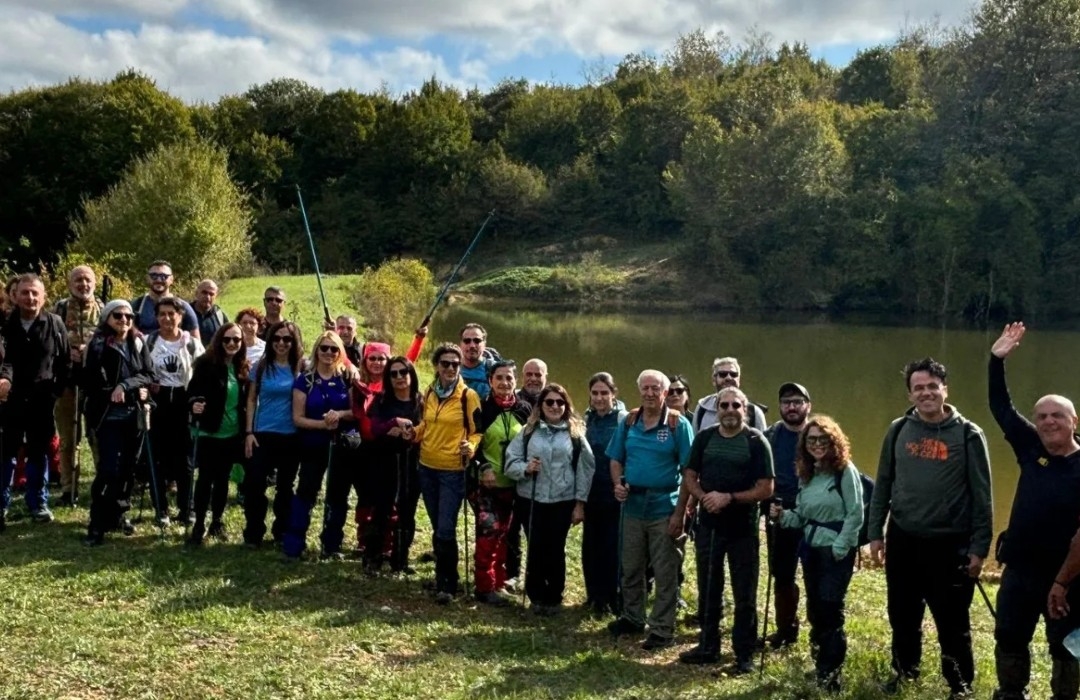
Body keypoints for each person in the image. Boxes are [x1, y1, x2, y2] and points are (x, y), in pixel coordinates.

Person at [868, 357, 993, 698]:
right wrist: (875, 533)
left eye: (932, 386)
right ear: (910, 394)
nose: (926, 393)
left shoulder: (968, 434)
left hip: (949, 544)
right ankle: (905, 670)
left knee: (952, 623)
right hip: (904, 539)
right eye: (918, 388)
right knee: (902, 615)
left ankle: (959, 685)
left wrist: (980, 548)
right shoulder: (898, 429)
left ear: (944, 389)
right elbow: (883, 483)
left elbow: (983, 497)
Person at [988, 322, 1080, 700]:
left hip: (1069, 578)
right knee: (1009, 636)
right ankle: (1011, 694)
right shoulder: (1031, 449)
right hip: (1020, 572)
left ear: (1074, 422)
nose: (1047, 422)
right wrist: (996, 361)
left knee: (1066, 647)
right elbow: (1001, 408)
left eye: (1057, 415)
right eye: (1041, 416)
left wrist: (1061, 582)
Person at [679, 386, 775, 674]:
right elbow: (689, 475)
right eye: (724, 406)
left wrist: (729, 497)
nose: (730, 410)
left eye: (736, 405)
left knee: (744, 592)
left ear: (744, 410)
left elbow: (766, 487)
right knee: (709, 587)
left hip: (742, 529)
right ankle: (708, 646)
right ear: (717, 410)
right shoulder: (705, 438)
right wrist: (703, 495)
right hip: (708, 526)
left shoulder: (756, 441)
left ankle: (744, 653)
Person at [770, 416, 862, 692]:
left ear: (834, 441)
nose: (818, 444)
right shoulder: (807, 472)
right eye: (812, 440)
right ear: (805, 444)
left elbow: (856, 513)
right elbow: (802, 516)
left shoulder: (844, 471)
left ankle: (832, 677)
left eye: (823, 439)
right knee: (815, 609)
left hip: (834, 551)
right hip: (811, 549)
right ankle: (821, 665)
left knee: (830, 609)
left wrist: (841, 547)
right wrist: (783, 517)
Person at [606, 370, 694, 651]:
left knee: (665, 571)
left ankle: (662, 629)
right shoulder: (629, 421)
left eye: (655, 388)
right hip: (632, 506)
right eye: (644, 388)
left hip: (663, 507)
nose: (649, 393)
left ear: (665, 392)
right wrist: (617, 483)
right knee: (631, 567)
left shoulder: (677, 424)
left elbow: (690, 472)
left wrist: (681, 513)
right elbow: (616, 458)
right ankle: (633, 617)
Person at [505, 383, 594, 615]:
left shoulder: (575, 434)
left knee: (555, 549)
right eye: (549, 402)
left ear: (566, 405)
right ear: (541, 405)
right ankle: (536, 596)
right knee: (535, 546)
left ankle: (554, 597)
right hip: (530, 498)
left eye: (560, 402)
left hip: (561, 501)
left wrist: (580, 504)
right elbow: (510, 462)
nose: (555, 406)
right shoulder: (528, 431)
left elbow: (586, 469)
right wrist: (525, 468)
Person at [413, 342, 482, 603]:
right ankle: (441, 576)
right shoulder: (430, 392)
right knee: (436, 524)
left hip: (453, 471)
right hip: (427, 468)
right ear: (437, 366)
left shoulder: (468, 396)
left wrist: (471, 446)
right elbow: (426, 426)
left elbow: (477, 430)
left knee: (445, 527)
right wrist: (413, 432)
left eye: (455, 364)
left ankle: (447, 584)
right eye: (446, 364)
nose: (451, 368)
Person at [79, 299, 153, 545]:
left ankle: (119, 514)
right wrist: (113, 389)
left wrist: (127, 386)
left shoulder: (138, 342)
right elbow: (89, 382)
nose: (124, 321)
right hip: (107, 417)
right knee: (108, 469)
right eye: (118, 316)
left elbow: (148, 374)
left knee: (128, 469)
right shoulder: (98, 345)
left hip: (135, 416)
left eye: (128, 317)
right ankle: (97, 523)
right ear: (108, 318)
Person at [0, 274, 70, 527]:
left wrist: (55, 392)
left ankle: (38, 503)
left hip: (42, 401)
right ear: (15, 295)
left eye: (35, 293)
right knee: (6, 452)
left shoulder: (55, 324)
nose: (30, 297)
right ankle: (1, 504)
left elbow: (64, 362)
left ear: (44, 296)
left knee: (39, 453)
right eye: (25, 292)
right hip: (10, 400)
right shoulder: (5, 325)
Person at [283, 331, 356, 559]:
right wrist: (323, 425)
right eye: (324, 348)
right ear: (316, 350)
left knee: (337, 496)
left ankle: (331, 545)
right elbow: (297, 418)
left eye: (334, 349)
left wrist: (340, 414)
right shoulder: (304, 380)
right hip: (312, 443)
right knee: (306, 492)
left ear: (340, 352)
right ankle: (294, 545)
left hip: (340, 447)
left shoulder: (347, 378)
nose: (328, 353)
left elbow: (356, 413)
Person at [469, 360, 531, 605]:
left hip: (514, 484)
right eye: (499, 378)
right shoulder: (482, 409)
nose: (505, 383)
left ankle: (499, 581)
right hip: (486, 484)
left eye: (510, 378)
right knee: (488, 532)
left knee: (505, 534)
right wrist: (482, 466)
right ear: (490, 381)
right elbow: (473, 443)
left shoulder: (525, 409)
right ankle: (483, 586)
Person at [242, 321, 304, 547]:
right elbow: (250, 399)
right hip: (262, 433)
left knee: (286, 487)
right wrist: (249, 432)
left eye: (287, 339)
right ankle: (254, 532)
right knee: (255, 484)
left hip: (291, 435)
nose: (281, 343)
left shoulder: (302, 368)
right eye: (276, 338)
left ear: (294, 342)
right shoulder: (260, 367)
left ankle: (282, 531)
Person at [761, 382, 813, 648]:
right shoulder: (770, 436)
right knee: (782, 575)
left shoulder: (819, 435)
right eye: (786, 402)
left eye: (797, 401)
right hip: (780, 514)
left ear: (808, 405)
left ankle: (821, 635)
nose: (791, 406)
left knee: (816, 575)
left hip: (815, 516)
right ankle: (786, 630)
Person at [187, 323, 248, 545]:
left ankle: (217, 522)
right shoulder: (205, 364)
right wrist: (195, 404)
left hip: (231, 434)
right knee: (205, 480)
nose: (232, 343)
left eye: (237, 340)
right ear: (219, 340)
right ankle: (199, 523)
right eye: (227, 339)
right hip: (208, 432)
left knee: (222, 480)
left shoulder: (242, 367)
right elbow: (192, 391)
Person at [145, 297, 204, 526]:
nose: (167, 318)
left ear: (180, 316)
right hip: (157, 403)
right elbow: (141, 370)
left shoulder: (191, 343)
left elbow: (201, 374)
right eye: (162, 314)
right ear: (156, 317)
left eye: (172, 313)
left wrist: (197, 400)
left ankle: (186, 508)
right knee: (156, 459)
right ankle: (161, 509)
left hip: (183, 400)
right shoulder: (149, 342)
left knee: (185, 460)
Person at [366, 356, 423, 574]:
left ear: (411, 374)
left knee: (407, 512)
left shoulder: (421, 401)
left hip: (412, 463)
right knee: (381, 509)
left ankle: (401, 558)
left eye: (403, 372)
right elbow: (373, 429)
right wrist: (392, 423)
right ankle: (373, 557)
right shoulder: (381, 400)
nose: (399, 377)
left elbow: (427, 430)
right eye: (393, 373)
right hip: (384, 461)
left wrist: (411, 434)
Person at [53, 265, 103, 507]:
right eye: (78, 280)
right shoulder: (59, 308)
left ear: (94, 282)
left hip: (95, 383)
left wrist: (90, 350)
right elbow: (50, 340)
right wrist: (67, 354)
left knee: (97, 435)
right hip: (66, 382)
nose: (83, 284)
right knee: (69, 438)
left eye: (87, 280)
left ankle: (102, 486)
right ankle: (68, 488)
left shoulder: (104, 309)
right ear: (70, 283)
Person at [582, 372, 627, 617]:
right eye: (595, 393)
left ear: (613, 394)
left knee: (614, 545)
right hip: (590, 491)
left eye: (604, 393)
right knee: (591, 544)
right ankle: (594, 595)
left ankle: (613, 597)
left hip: (614, 491)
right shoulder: (586, 418)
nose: (599, 398)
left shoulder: (623, 419)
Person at [693, 357, 767, 432]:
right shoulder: (702, 409)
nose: (728, 377)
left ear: (739, 379)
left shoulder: (754, 412)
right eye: (723, 374)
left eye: (733, 374)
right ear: (714, 380)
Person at [130, 261, 200, 338]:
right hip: (143, 349)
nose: (159, 280)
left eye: (164, 276)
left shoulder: (183, 307)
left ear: (171, 279)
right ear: (147, 278)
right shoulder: (136, 306)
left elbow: (196, 342)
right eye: (154, 276)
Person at [458, 323, 495, 400]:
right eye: (467, 341)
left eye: (477, 341)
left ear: (484, 344)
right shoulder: (452, 367)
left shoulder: (494, 369)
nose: (472, 345)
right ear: (461, 344)